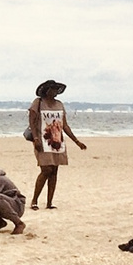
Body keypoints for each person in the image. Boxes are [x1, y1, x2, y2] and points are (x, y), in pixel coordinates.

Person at [27, 80, 87, 209]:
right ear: (47, 90)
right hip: (42, 140)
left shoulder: (59, 104)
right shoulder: (38, 103)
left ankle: (49, 202)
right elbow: (31, 122)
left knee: (54, 171)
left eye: (56, 90)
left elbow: (64, 125)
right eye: (52, 89)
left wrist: (76, 141)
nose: (55, 92)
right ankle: (34, 200)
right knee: (46, 169)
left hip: (57, 141)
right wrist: (36, 138)